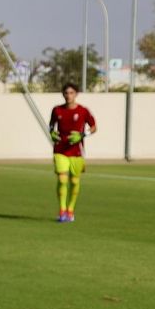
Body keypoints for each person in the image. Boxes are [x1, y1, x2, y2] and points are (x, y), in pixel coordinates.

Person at [49, 82, 96, 222]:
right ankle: (62, 211)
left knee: (74, 181)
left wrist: (82, 135)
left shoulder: (83, 111)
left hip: (76, 151)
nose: (68, 95)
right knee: (62, 179)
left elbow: (94, 127)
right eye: (66, 93)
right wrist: (52, 132)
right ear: (63, 94)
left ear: (76, 94)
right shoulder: (57, 110)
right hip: (60, 150)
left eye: (71, 93)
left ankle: (70, 210)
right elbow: (51, 124)